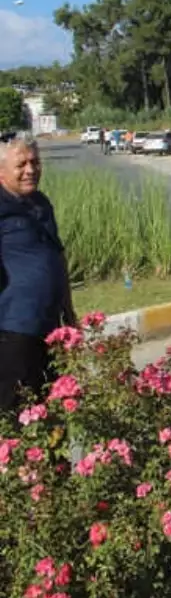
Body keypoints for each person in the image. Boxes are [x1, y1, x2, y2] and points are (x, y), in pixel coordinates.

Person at [0, 135, 74, 413]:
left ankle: (55, 459)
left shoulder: (41, 203)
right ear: (1, 171)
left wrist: (69, 312)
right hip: (13, 330)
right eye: (22, 164)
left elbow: (58, 257)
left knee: (55, 408)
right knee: (16, 415)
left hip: (51, 327)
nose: (31, 170)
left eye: (35, 162)